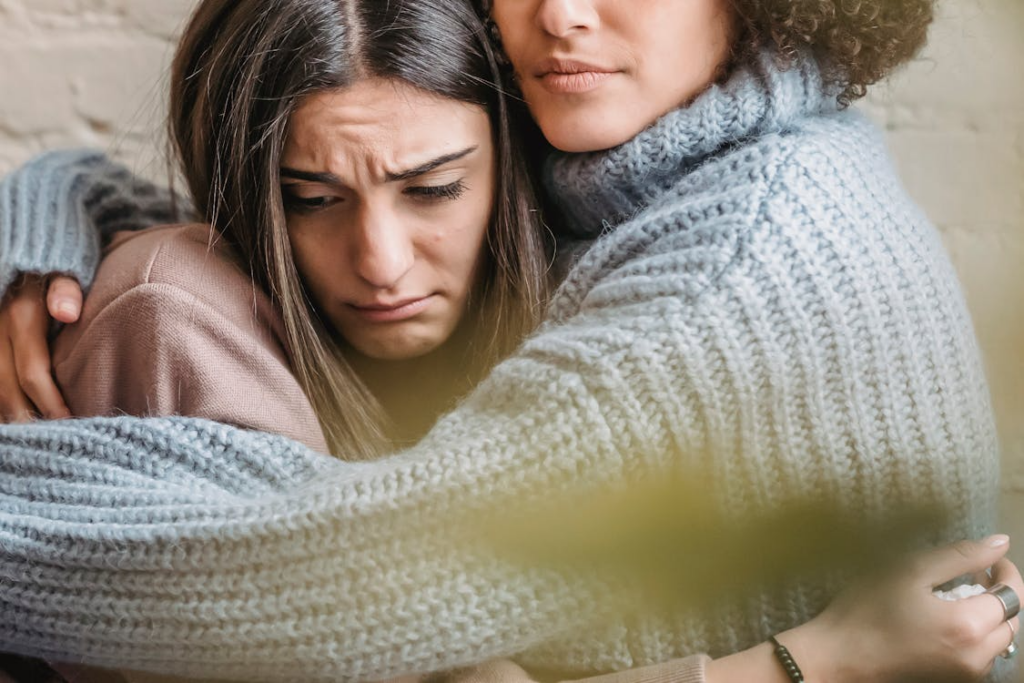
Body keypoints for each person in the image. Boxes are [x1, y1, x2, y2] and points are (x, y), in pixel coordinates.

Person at [0, 0, 1015, 682]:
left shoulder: (711, 283)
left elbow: (319, 579)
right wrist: (56, 208)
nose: (562, 15)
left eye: (436, 189)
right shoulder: (648, 153)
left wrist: (800, 663)